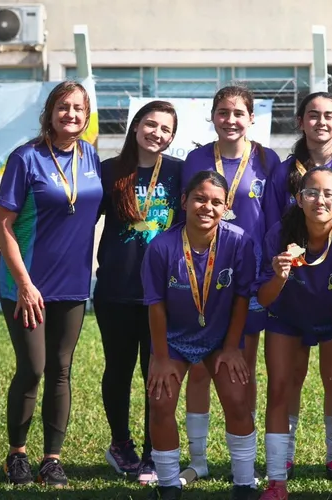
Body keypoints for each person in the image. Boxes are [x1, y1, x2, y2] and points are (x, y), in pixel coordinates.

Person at [0, 80, 101, 488]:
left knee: (61, 370)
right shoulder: (26, 158)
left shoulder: (91, 156)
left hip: (73, 284)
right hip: (27, 284)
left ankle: (51, 460)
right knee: (33, 368)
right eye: (63, 107)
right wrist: (24, 282)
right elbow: (1, 225)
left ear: (87, 116)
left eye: (78, 108)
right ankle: (16, 455)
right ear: (50, 112)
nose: (70, 114)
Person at [262, 92, 332, 481]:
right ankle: (282, 462)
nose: (321, 122)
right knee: (286, 380)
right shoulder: (282, 173)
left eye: (329, 115)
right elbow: (275, 231)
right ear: (301, 121)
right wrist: (284, 267)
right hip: (291, 295)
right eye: (313, 115)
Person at [179, 85, 279, 484]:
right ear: (213, 116)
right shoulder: (196, 159)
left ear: (252, 118)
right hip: (201, 276)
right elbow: (181, 215)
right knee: (201, 368)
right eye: (223, 112)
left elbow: (272, 219)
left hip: (249, 277)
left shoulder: (268, 160)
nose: (231, 119)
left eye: (239, 113)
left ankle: (245, 458)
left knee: (242, 368)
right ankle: (198, 458)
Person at [141, 170, 260, 500]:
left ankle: (244, 483)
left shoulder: (239, 242)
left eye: (216, 202)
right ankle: (167, 485)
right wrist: (161, 358)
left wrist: (233, 347)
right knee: (161, 402)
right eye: (199, 198)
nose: (207, 207)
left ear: (226, 207)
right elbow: (155, 306)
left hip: (220, 338)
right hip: (175, 338)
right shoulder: (161, 247)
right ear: (184, 201)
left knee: (237, 401)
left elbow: (240, 297)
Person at [256, 167, 332, 500]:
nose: (320, 200)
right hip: (287, 318)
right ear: (299, 199)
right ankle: (276, 481)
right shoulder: (279, 234)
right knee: (279, 390)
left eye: (328, 194)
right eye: (312, 193)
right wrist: (278, 275)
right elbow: (263, 298)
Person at [95, 100, 182, 485]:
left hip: (163, 294)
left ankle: (152, 450)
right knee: (119, 369)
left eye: (166, 129)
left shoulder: (180, 172)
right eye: (151, 124)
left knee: (156, 373)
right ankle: (120, 444)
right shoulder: (110, 172)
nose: (157, 134)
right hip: (115, 289)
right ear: (135, 126)